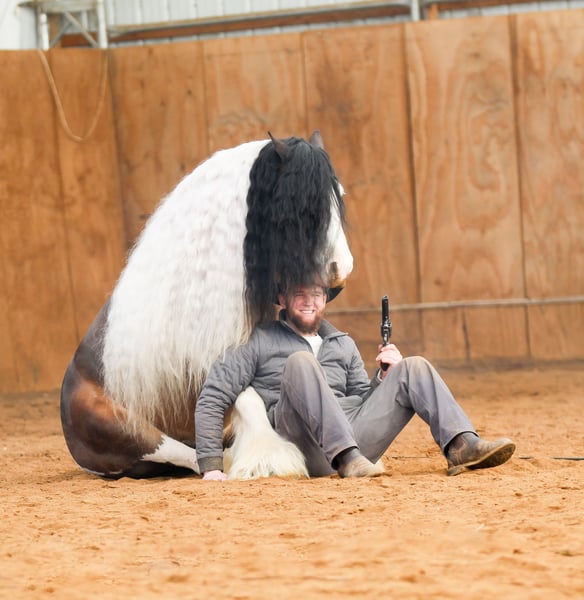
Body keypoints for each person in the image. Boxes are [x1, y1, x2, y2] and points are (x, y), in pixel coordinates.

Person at [195, 282, 515, 481]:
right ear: (282, 297)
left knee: (413, 366)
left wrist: (384, 378)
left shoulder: (342, 343)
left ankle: (461, 445)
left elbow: (363, 399)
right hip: (301, 445)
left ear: (325, 299)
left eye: (316, 293)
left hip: (357, 444)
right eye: (299, 294)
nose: (308, 301)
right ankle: (346, 458)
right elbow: (212, 397)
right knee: (300, 362)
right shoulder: (256, 340)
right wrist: (211, 466)